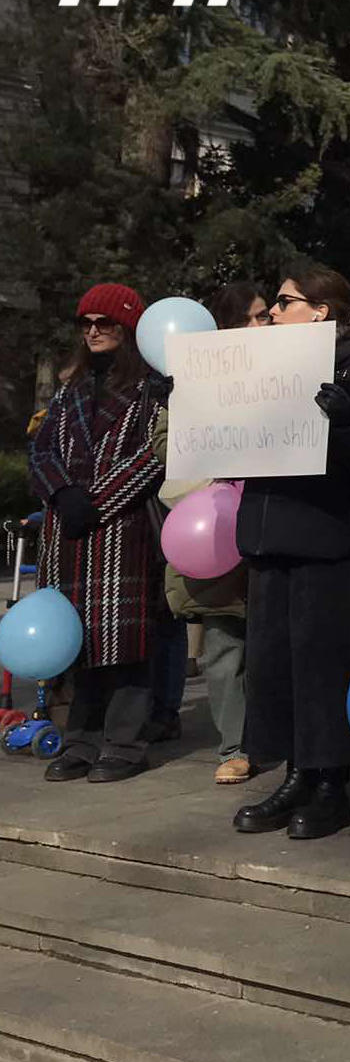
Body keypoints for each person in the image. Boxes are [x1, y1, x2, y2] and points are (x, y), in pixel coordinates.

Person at [228, 270, 350, 837]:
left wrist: (343, 420)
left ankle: (331, 785)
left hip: (325, 538)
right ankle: (295, 772)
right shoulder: (257, 369)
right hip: (271, 536)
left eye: (285, 302)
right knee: (276, 666)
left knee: (323, 664)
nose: (271, 311)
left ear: (320, 311)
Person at [30, 284, 168, 784]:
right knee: (76, 642)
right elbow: (41, 450)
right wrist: (63, 493)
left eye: (104, 323)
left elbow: (153, 455)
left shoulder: (151, 387)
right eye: (85, 323)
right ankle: (80, 740)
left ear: (128, 329)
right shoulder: (70, 388)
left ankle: (126, 743)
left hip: (122, 529)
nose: (92, 331)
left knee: (124, 641)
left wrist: (98, 501)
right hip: (67, 533)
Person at [152, 281, 266, 785]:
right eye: (253, 316)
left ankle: (285, 737)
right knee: (223, 646)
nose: (261, 324)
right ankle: (235, 746)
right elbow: (162, 445)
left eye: (267, 315)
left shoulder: (297, 374)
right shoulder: (192, 382)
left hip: (275, 525)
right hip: (215, 528)